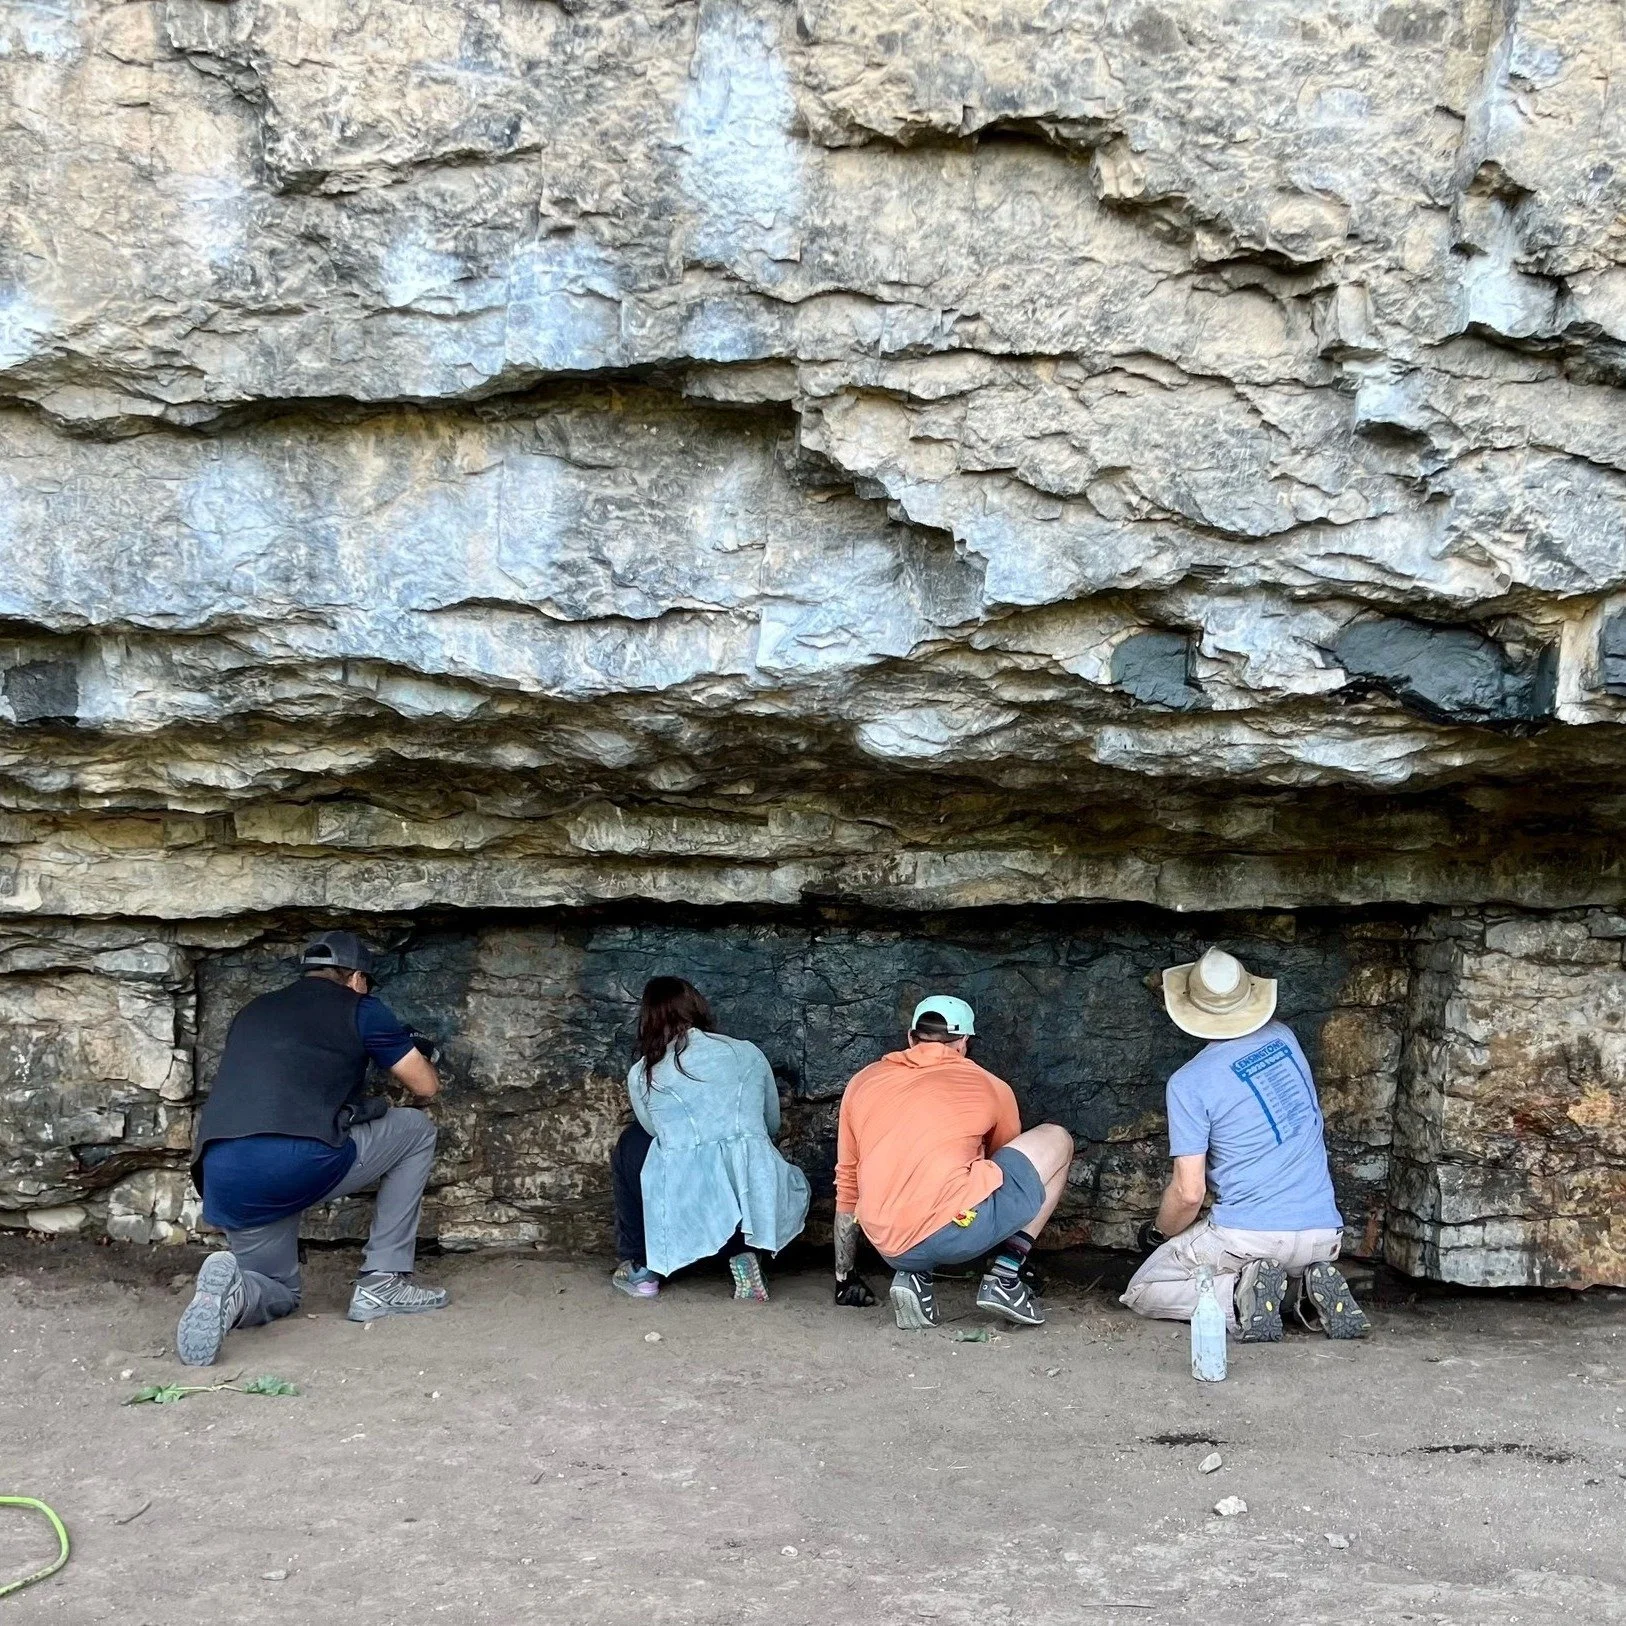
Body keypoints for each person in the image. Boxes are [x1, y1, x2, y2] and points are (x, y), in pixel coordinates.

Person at [176, 930, 450, 1366]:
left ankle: (237, 1292)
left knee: (278, 1291)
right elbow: (425, 1086)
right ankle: (383, 1281)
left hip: (223, 1169)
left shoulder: (254, 1011)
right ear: (357, 979)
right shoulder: (362, 1008)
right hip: (298, 1161)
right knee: (416, 1129)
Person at [1121, 947, 1371, 1340]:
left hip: (1249, 1236)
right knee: (1274, 1266)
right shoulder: (1283, 1038)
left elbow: (1188, 1193)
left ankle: (1239, 1296)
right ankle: (1302, 1289)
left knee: (1144, 1291)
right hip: (1323, 1234)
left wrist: (1157, 1233)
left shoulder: (1189, 1083)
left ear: (1189, 1009)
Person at [832, 995, 1074, 1330]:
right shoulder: (991, 1087)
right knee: (1057, 1138)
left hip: (888, 1247)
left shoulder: (861, 1083)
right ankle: (1005, 1274)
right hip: (958, 1236)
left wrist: (845, 1278)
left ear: (911, 1037)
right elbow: (1005, 1167)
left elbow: (847, 1185)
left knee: (921, 1175)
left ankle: (913, 1276)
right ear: (963, 1043)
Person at [610, 977, 809, 1302]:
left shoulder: (644, 1072)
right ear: (697, 1008)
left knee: (631, 1145)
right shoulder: (748, 1053)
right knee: (748, 1153)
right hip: (754, 1196)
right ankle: (744, 1251)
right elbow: (770, 1123)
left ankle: (643, 1268)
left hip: (690, 1200)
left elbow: (653, 1133)